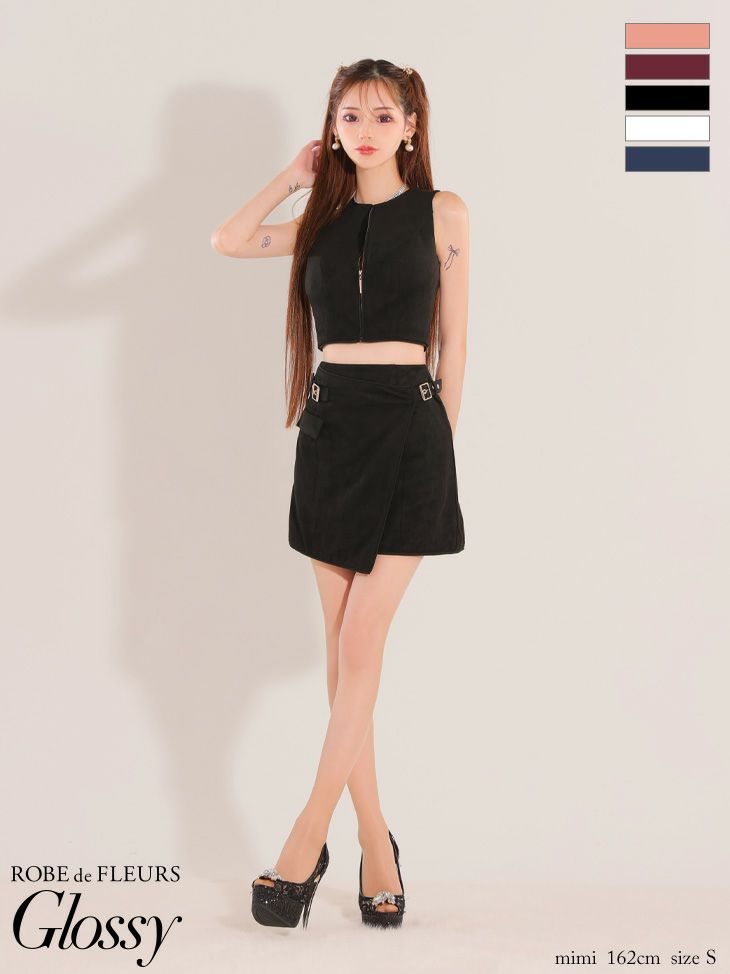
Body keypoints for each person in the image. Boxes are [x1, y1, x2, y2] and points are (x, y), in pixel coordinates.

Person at [211, 58, 468, 929]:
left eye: (383, 115)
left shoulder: (444, 213)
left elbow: (455, 345)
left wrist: (440, 449)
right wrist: (292, 176)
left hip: (411, 432)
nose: (365, 129)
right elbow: (228, 240)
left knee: (360, 643)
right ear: (331, 127)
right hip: (331, 435)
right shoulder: (317, 222)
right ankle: (376, 843)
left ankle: (306, 836)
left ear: (412, 128)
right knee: (343, 655)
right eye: (350, 115)